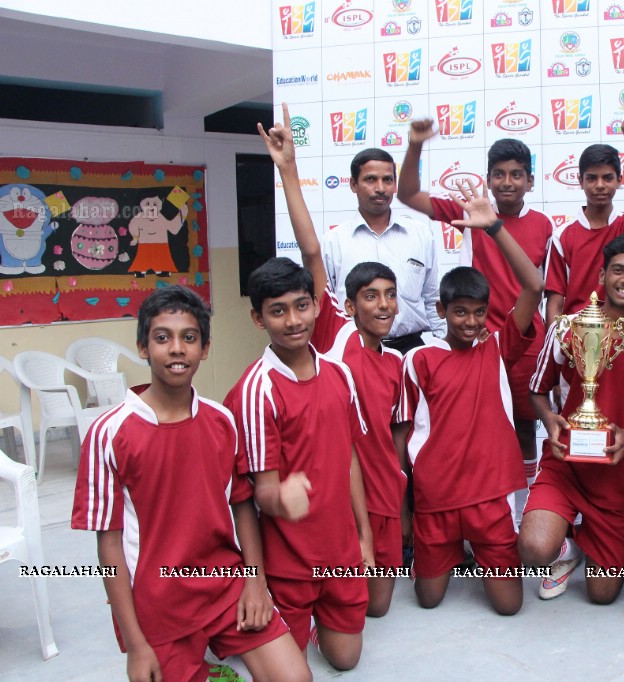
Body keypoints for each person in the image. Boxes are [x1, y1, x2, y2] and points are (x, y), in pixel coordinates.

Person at [72, 286, 310, 682]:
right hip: (158, 606)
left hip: (224, 586)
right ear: (143, 348)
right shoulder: (108, 433)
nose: (177, 349)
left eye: (189, 337)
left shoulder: (221, 421)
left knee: (296, 678)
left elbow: (241, 506)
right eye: (162, 337)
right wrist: (136, 645)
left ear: (205, 348)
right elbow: (109, 546)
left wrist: (256, 583)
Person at [258, 103, 408, 617]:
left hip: (385, 498)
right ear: (346, 306)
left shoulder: (396, 363)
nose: (382, 305)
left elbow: (396, 438)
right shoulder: (332, 335)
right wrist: (288, 170)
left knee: (378, 608)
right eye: (370, 296)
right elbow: (312, 253)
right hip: (333, 496)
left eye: (390, 295)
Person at [395, 181, 544, 614]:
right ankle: (453, 553)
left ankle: (483, 552)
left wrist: (495, 228)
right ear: (441, 311)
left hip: (488, 495)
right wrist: (406, 509)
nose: (470, 321)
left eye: (478, 312)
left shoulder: (496, 347)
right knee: (428, 599)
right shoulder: (419, 360)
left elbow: (533, 286)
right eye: (460, 311)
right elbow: (403, 438)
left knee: (509, 607)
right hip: (436, 498)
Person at [397, 127, 552, 525]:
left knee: (523, 429)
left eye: (516, 174)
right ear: (487, 178)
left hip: (524, 342)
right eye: (498, 173)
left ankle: (521, 518)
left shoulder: (545, 226)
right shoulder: (472, 212)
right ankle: (472, 515)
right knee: (472, 430)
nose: (507, 182)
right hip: (477, 342)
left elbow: (546, 289)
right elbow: (408, 195)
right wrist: (415, 145)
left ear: (531, 180)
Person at [225, 258, 373, 670]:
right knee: (290, 672)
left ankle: (312, 625)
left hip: (341, 554)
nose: (293, 320)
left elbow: (350, 461)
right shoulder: (257, 391)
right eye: (278, 310)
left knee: (345, 660)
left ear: (317, 306)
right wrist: (278, 498)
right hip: (287, 565)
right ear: (258, 319)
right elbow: (259, 494)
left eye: (301, 305)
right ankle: (264, 617)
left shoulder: (340, 374)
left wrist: (363, 538)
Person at [520, 233, 624, 605]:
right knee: (534, 549)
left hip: (617, 478)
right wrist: (551, 419)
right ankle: (566, 549)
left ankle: (594, 541)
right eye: (618, 270)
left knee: (602, 595)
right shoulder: (566, 328)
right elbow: (537, 391)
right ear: (602, 276)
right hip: (565, 466)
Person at [321, 146, 445, 354]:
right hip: (354, 352)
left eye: (387, 180)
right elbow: (326, 305)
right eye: (370, 180)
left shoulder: (420, 235)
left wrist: (443, 347)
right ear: (353, 184)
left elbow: (432, 298)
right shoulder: (334, 241)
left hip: (411, 349)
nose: (381, 188)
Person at [544, 109, 624, 325]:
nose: (599, 185)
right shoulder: (563, 235)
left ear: (619, 180)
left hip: (622, 335)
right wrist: (559, 345)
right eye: (591, 178)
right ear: (580, 181)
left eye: (607, 178)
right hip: (577, 340)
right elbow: (555, 301)